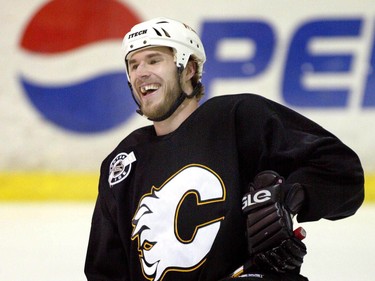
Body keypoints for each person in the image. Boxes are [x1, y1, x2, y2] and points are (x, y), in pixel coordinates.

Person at [84, 17, 364, 281]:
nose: (141, 73)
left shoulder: (237, 118)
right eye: (133, 65)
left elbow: (342, 172)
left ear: (189, 69)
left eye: (154, 60)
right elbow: (104, 272)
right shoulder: (123, 163)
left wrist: (290, 198)